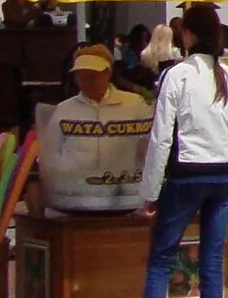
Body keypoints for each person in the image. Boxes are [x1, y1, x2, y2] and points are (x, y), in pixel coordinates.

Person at [113, 3, 228, 298]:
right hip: (222, 176)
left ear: (187, 34)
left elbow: (160, 139)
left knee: (160, 263)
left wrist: (150, 192)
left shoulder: (177, 76)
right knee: (211, 266)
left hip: (187, 174)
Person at [36, 46, 151, 212]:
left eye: (92, 77)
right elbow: (51, 152)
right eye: (81, 78)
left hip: (124, 196)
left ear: (108, 73)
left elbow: (147, 144)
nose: (86, 83)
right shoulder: (64, 110)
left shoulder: (135, 105)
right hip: (74, 196)